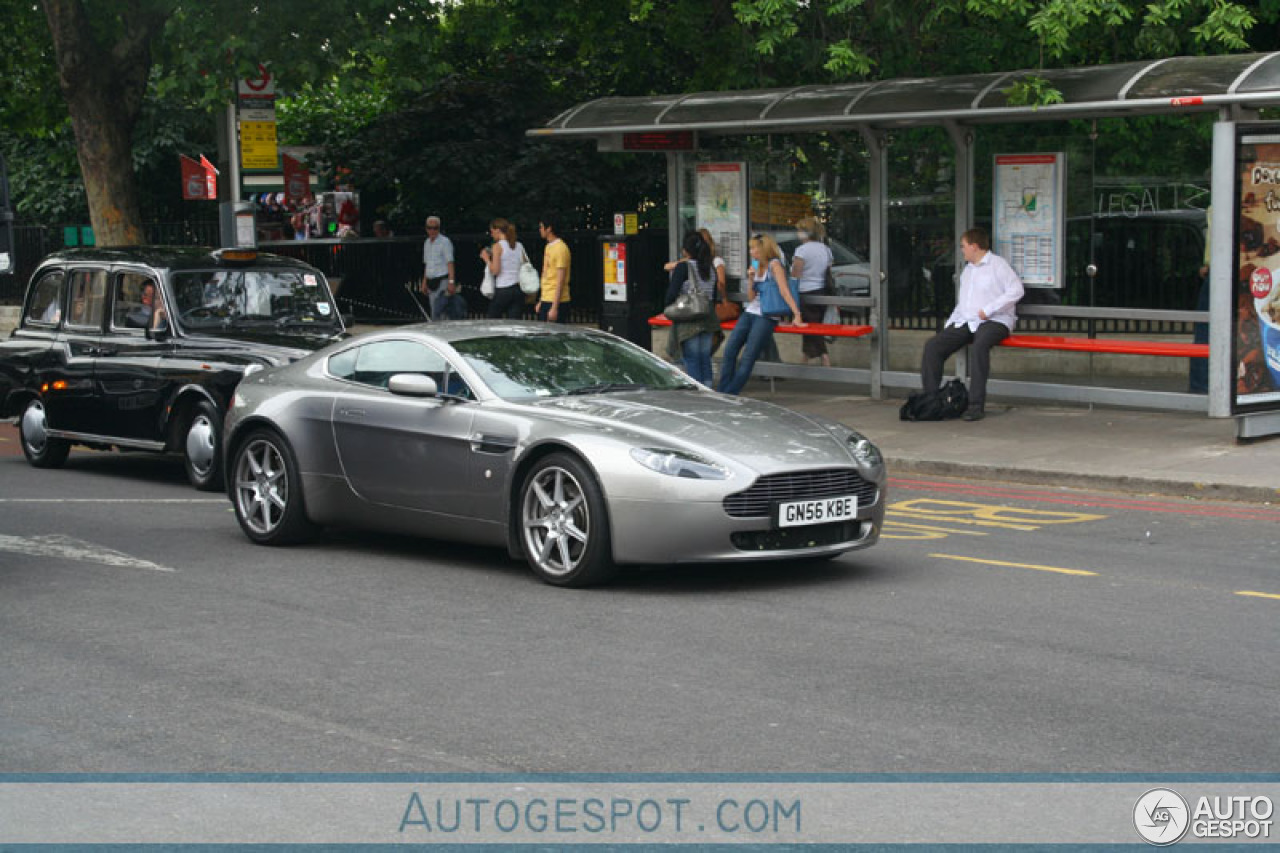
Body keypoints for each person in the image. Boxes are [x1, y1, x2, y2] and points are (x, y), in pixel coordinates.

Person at [919, 227, 1024, 422]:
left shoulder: (998, 265)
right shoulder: (968, 271)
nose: (962, 250)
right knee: (933, 346)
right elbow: (963, 304)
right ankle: (931, 399)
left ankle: (976, 405)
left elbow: (1016, 290)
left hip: (996, 319)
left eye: (963, 246)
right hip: (969, 320)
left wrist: (990, 309)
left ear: (975, 247)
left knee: (979, 346)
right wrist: (951, 326)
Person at [717, 233, 804, 395]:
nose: (751, 252)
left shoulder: (775, 265)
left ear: (763, 249)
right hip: (750, 312)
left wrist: (796, 314)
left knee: (749, 356)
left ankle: (730, 392)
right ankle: (722, 391)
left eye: (753, 248)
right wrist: (751, 279)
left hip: (767, 316)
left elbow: (784, 291)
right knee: (730, 350)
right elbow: (751, 297)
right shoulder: (756, 265)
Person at [664, 231, 720, 385]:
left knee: (692, 360)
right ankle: (709, 392)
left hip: (689, 320)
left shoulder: (684, 267)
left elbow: (671, 294)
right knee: (704, 359)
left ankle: (699, 395)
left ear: (685, 251)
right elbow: (714, 297)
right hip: (708, 319)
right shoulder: (710, 268)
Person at [791, 215, 835, 366]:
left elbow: (796, 273)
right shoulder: (826, 249)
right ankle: (806, 356)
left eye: (799, 231)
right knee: (814, 324)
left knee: (810, 326)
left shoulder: (801, 250)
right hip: (822, 290)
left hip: (805, 291)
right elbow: (828, 270)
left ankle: (824, 356)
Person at [482, 218, 527, 320]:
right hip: (518, 288)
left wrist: (487, 259)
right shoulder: (519, 245)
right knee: (515, 323)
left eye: (492, 231)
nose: (491, 234)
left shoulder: (497, 246)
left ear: (497, 230)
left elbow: (495, 270)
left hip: (503, 288)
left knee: (492, 320)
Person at [420, 215, 456, 320]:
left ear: (439, 228)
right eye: (429, 228)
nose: (432, 231)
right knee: (434, 311)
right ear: (426, 228)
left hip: (442, 281)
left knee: (442, 310)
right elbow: (427, 264)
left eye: (435, 228)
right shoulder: (426, 243)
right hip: (431, 281)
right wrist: (424, 282)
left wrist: (451, 282)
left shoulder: (445, 242)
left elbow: (450, 262)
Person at [537, 217, 570, 322]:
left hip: (556, 300)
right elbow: (547, 275)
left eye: (541, 227)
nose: (540, 230)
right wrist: (541, 300)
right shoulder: (548, 247)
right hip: (547, 298)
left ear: (549, 229)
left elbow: (560, 279)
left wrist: (554, 307)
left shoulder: (560, 248)